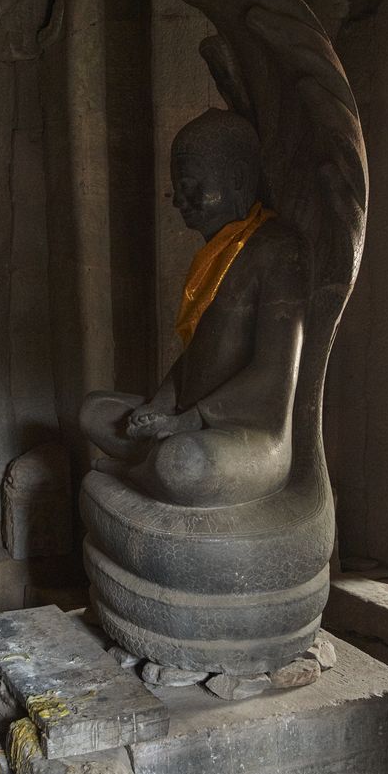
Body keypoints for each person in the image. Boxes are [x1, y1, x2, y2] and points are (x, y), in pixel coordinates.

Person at [80, 108, 308, 506]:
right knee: (92, 411)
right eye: (176, 190)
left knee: (181, 463)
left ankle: (137, 469)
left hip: (248, 436)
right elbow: (197, 358)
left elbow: (274, 374)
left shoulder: (278, 250)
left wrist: (189, 420)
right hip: (188, 419)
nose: (179, 202)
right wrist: (159, 405)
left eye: (188, 187)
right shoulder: (218, 254)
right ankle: (152, 461)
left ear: (237, 179)